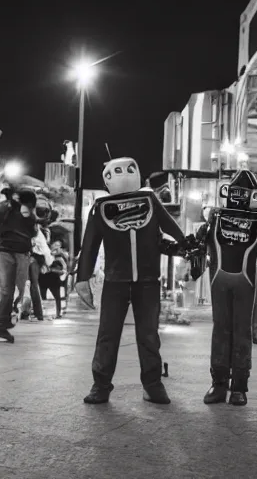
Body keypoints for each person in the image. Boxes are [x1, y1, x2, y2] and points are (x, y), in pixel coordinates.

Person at [78, 157, 185, 405]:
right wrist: (82, 278)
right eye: (117, 171)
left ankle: (152, 384)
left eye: (128, 169)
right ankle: (101, 384)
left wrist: (186, 244)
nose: (124, 173)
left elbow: (172, 227)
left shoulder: (149, 201)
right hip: (116, 280)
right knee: (108, 333)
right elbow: (90, 244)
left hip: (148, 280)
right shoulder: (101, 207)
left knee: (148, 334)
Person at [193, 171, 257, 406]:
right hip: (238, 280)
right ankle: (228, 386)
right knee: (230, 330)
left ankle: (233, 385)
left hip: (227, 279)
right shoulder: (250, 220)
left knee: (232, 330)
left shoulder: (225, 217)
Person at [0, 187, 39, 343]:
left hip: (15, 253)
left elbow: (33, 233)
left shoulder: (26, 215)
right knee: (8, 289)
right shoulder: (4, 210)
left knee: (14, 289)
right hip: (10, 253)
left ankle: (8, 318)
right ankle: (2, 327)